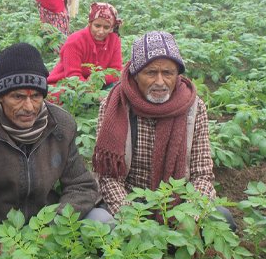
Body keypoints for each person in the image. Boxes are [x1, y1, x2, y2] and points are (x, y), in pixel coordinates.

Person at [0, 43, 112, 259]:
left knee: (103, 221)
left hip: (47, 220)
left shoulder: (61, 124)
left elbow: (82, 186)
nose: (30, 107)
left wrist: (55, 224)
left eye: (36, 96)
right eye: (18, 97)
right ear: (0, 96)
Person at [92, 31, 236, 230]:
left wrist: (190, 215)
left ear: (177, 75)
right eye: (151, 73)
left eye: (168, 73)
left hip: (179, 203)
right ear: (135, 74)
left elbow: (202, 173)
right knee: (99, 222)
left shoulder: (193, 108)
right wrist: (133, 219)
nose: (160, 82)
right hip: (130, 200)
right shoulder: (115, 106)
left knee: (222, 220)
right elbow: (108, 177)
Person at [47, 2, 123, 100]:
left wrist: (97, 79)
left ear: (112, 27)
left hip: (96, 84)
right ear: (90, 23)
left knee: (121, 91)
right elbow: (73, 76)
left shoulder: (114, 40)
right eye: (97, 26)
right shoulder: (75, 41)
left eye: (106, 27)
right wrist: (92, 93)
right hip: (64, 84)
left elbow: (116, 71)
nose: (101, 31)